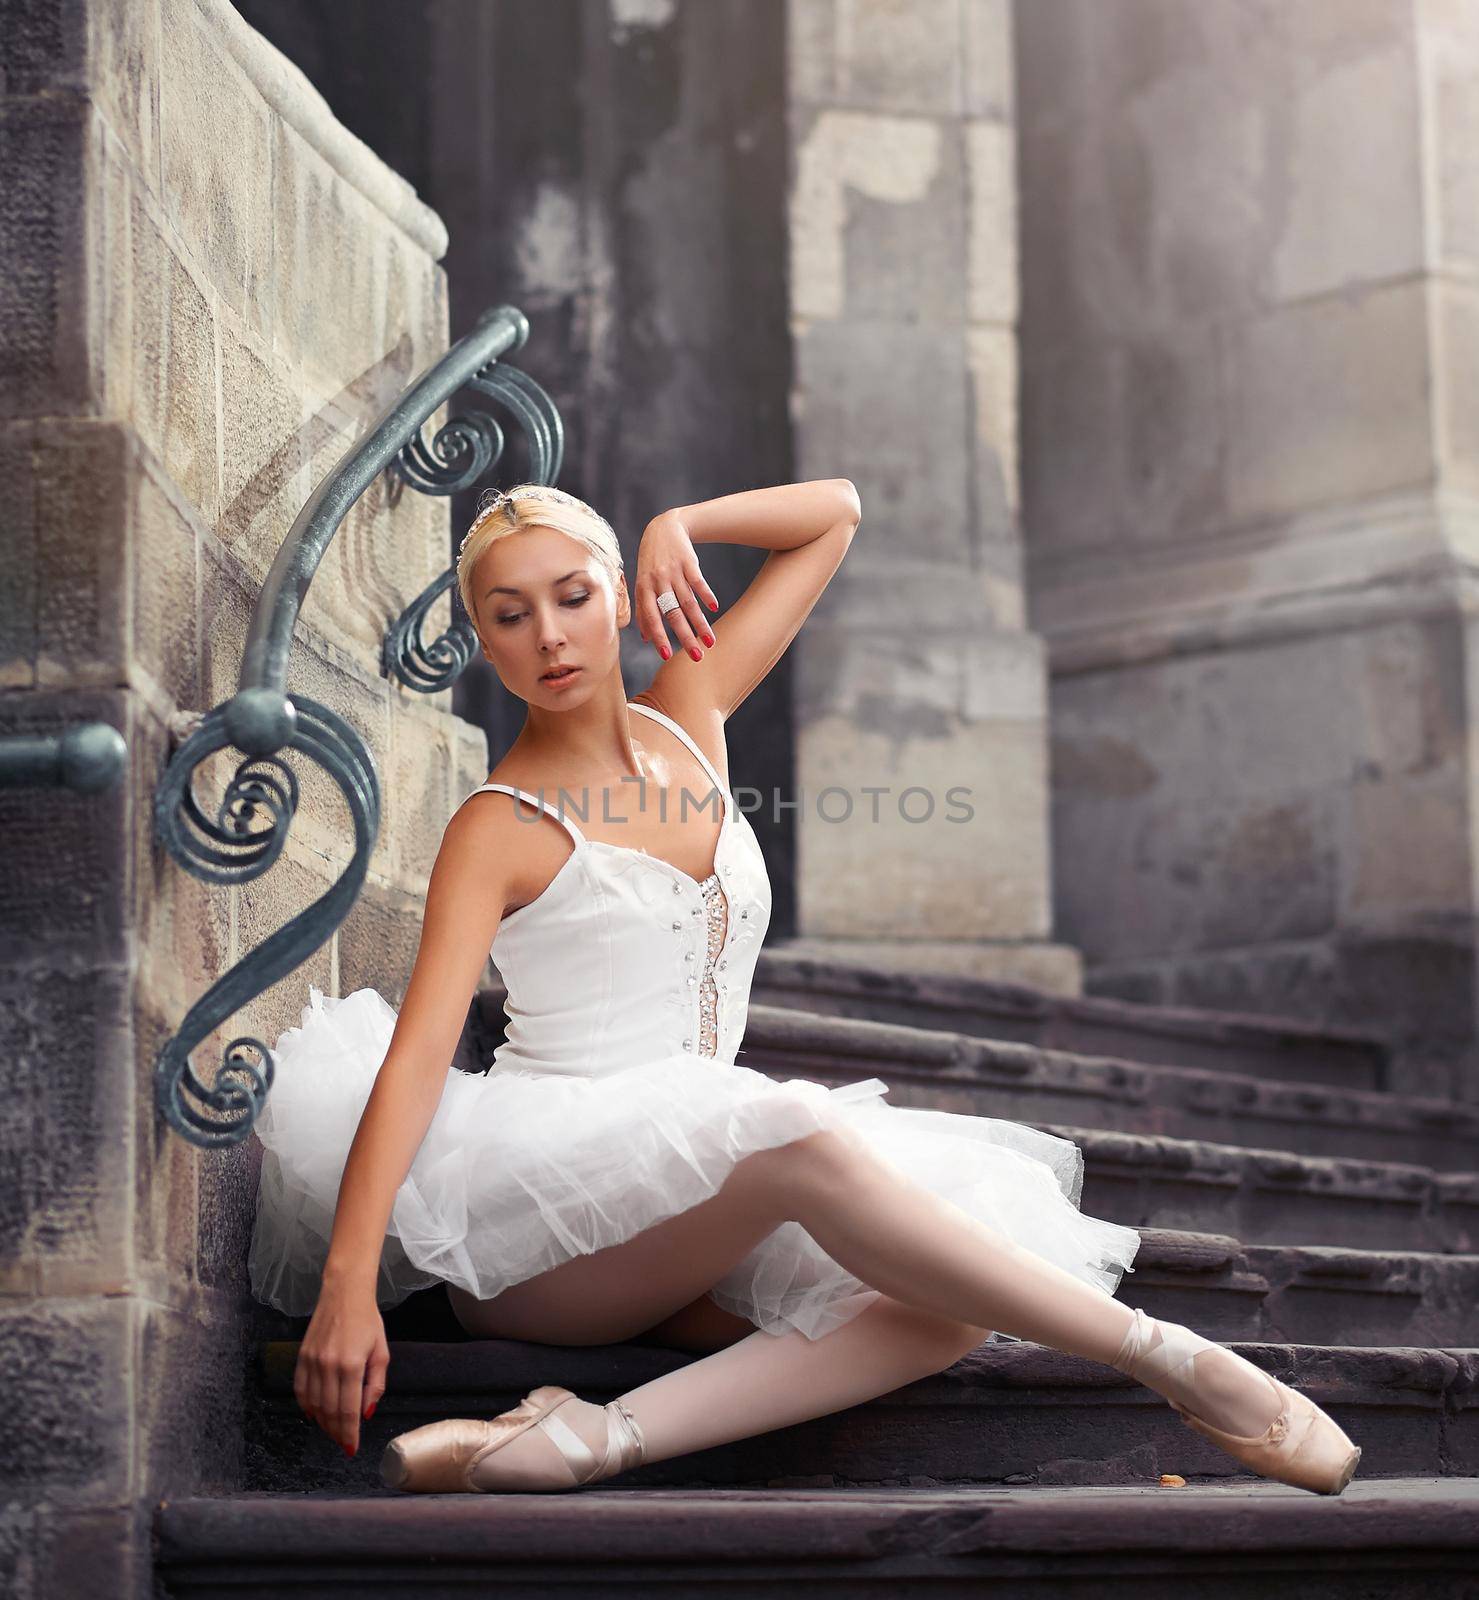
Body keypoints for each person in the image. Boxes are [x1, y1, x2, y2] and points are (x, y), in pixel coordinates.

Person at [247, 479, 1361, 1497]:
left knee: (946, 1293)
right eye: (508, 614)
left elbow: (835, 515)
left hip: (697, 1191)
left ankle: (584, 1439)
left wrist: (681, 524)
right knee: (795, 1130)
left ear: (623, 599)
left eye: (573, 596)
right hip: (545, 1224)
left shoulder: (690, 717)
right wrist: (348, 1282)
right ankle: (1181, 1364)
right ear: (483, 643)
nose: (548, 635)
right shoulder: (497, 826)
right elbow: (416, 1060)